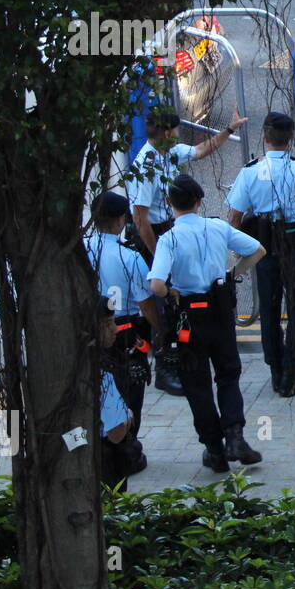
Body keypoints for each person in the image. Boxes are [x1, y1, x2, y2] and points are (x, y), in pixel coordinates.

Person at [148, 174, 267, 472]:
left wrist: (172, 292)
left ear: (169, 203)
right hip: (220, 311)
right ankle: (235, 435)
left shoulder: (169, 239)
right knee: (228, 374)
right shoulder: (217, 227)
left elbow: (156, 285)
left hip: (188, 317)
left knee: (196, 383)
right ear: (200, 201)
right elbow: (258, 250)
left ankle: (214, 449)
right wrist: (233, 274)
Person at [128, 103, 244, 394]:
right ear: (166, 132)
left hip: (168, 227)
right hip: (152, 235)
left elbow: (201, 150)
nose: (180, 133)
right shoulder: (146, 166)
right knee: (165, 303)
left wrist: (229, 129)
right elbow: (140, 219)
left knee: (179, 300)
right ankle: (166, 368)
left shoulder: (170, 153)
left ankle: (184, 354)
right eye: (177, 129)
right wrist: (160, 259)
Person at [226, 111, 295, 398]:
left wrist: (239, 253)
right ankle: (293, 375)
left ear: (265, 137)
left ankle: (276, 371)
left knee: (269, 311)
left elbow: (233, 218)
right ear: (291, 138)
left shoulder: (249, 172)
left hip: (264, 250)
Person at [85, 191, 167, 468]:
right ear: (121, 220)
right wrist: (161, 333)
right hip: (126, 335)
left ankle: (99, 447)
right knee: (130, 393)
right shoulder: (128, 257)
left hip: (87, 335)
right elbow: (146, 304)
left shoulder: (78, 251)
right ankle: (127, 451)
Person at [97, 305, 135, 491]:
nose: (115, 330)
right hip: (106, 464)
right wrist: (128, 417)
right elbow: (116, 432)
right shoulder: (102, 375)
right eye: (107, 324)